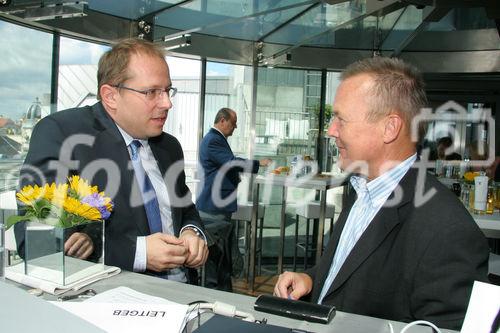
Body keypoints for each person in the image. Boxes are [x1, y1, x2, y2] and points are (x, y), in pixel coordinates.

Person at [273, 57, 489, 330]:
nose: (331, 130)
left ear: (390, 128)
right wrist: (312, 279)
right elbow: (354, 267)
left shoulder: (447, 230)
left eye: (341, 118)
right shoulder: (360, 189)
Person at [15, 38, 208, 283]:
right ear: (110, 96)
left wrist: (191, 231)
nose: (167, 103)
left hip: (186, 295)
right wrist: (138, 253)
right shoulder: (63, 135)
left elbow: (185, 209)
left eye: (167, 90)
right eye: (151, 92)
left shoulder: (169, 147)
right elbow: (37, 238)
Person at [197, 108, 271, 290]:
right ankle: (213, 293)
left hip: (218, 205)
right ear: (222, 120)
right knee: (215, 255)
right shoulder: (213, 140)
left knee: (222, 255)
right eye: (233, 122)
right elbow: (231, 162)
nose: (236, 127)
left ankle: (223, 291)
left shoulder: (216, 139)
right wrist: (257, 163)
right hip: (214, 207)